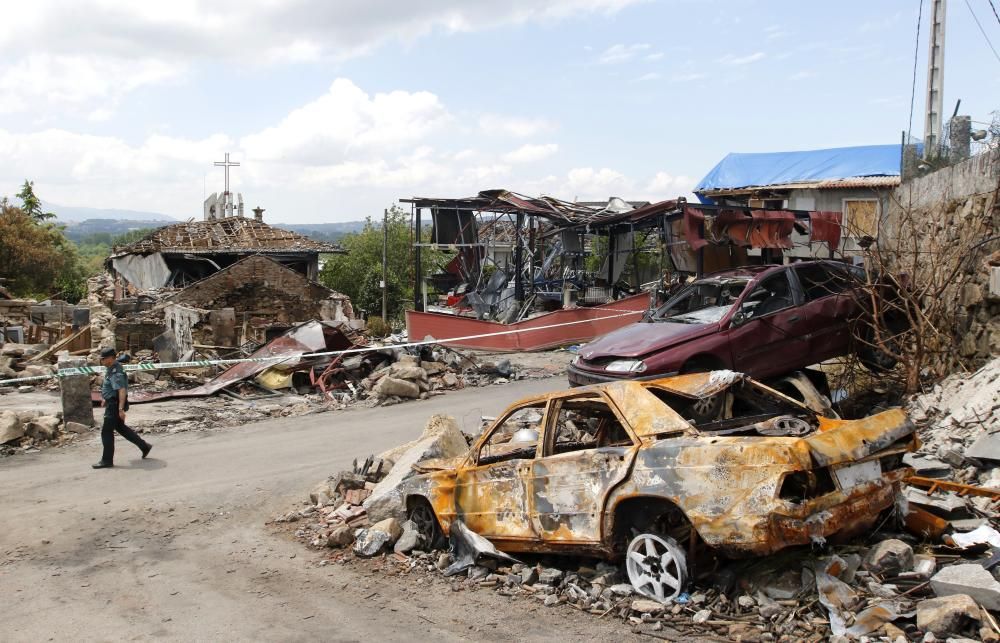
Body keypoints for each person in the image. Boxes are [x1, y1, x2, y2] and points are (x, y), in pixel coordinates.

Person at [93, 347, 152, 469]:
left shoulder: (116, 372)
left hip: (115, 405)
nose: (102, 361)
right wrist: (105, 398)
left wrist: (120, 409)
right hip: (112, 403)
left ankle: (107, 460)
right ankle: (144, 446)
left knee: (106, 432)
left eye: (103, 359)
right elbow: (111, 388)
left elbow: (121, 390)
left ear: (110, 358)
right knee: (121, 428)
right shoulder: (111, 369)